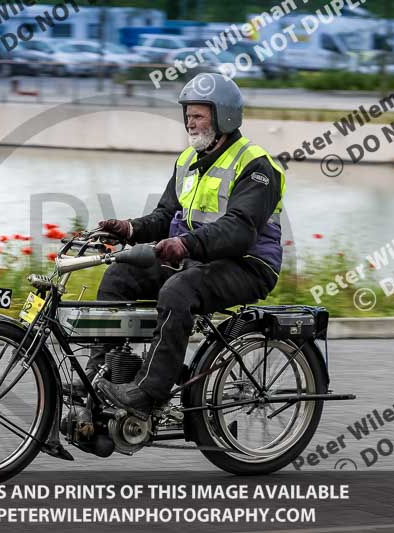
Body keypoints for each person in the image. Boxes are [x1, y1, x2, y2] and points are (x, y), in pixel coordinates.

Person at [92, 73, 287, 419]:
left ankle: (149, 391)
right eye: (188, 115)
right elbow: (166, 215)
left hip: (248, 264)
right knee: (120, 275)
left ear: (224, 116)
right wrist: (129, 229)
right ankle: (99, 374)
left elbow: (240, 230)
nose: (190, 123)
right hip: (197, 256)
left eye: (198, 116)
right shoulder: (187, 161)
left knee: (178, 291)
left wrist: (185, 244)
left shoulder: (256, 165)